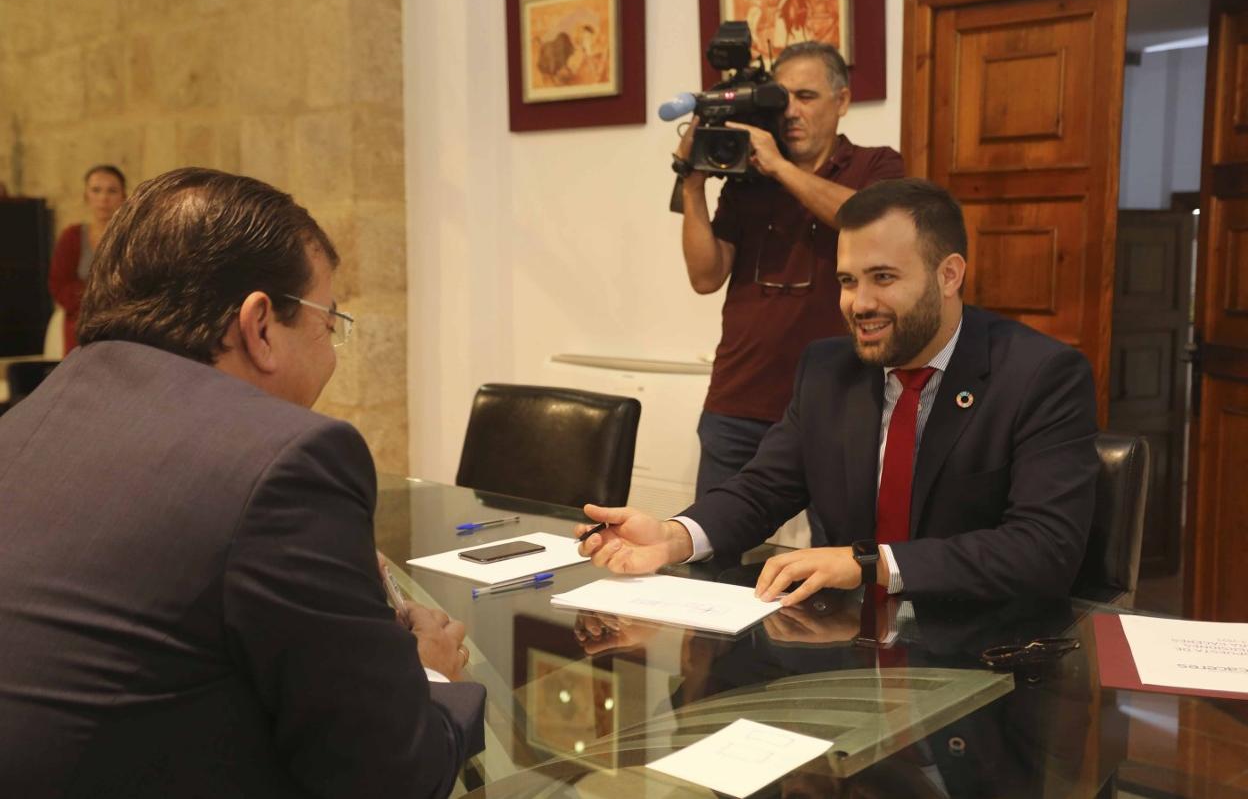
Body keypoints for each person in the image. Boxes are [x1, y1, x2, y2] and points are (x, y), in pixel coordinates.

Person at [0, 168, 484, 798]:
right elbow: (390, 775)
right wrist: (430, 679)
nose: (331, 352)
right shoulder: (286, 462)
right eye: (329, 323)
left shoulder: (24, 423)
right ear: (259, 326)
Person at [579, 178, 1099, 602]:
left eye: (883, 278)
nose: (859, 303)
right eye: (848, 281)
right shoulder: (829, 369)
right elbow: (763, 489)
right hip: (843, 638)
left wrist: (870, 564)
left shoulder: (1041, 375)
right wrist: (673, 536)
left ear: (949, 276)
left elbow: (1044, 549)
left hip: (983, 647)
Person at [675, 42, 904, 527]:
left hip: (842, 402)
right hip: (740, 398)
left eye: (807, 96)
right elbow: (705, 276)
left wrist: (780, 167)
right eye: (782, 98)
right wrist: (692, 185)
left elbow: (871, 223)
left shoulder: (875, 166)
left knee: (840, 556)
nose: (791, 112)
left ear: (842, 101)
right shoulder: (748, 179)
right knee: (711, 545)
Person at [48, 164, 127, 354]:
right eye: (96, 190)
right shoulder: (72, 236)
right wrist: (101, 296)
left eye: (112, 191)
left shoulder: (133, 237)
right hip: (81, 327)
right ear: (86, 196)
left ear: (124, 197)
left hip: (124, 327)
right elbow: (59, 284)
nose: (103, 198)